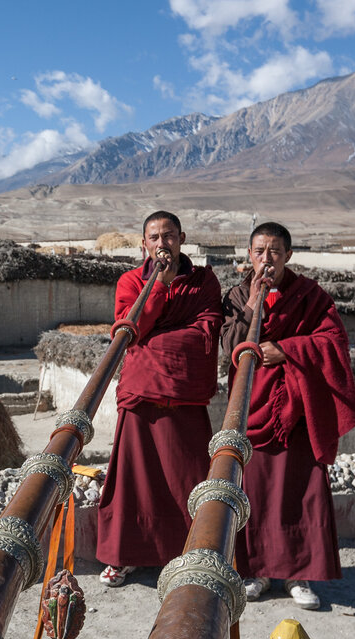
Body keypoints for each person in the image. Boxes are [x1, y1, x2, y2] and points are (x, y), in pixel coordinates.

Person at [220, 222, 355, 609]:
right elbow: (230, 344)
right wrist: (252, 302)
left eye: (275, 251)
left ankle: (299, 575)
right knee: (255, 492)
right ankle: (255, 572)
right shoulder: (235, 295)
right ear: (249, 255)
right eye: (260, 251)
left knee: (301, 493)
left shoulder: (310, 296)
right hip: (252, 404)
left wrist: (287, 349)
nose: (267, 259)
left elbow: (333, 341)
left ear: (288, 255)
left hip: (297, 408)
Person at [96, 211, 223, 587]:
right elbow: (130, 331)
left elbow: (205, 333)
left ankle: (194, 551)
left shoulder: (204, 282)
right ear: (144, 244)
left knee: (191, 478)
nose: (162, 244)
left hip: (184, 400)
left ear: (182, 238)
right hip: (142, 400)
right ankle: (122, 556)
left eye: (168, 236)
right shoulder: (131, 281)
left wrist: (154, 344)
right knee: (133, 480)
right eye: (154, 237)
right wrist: (160, 288)